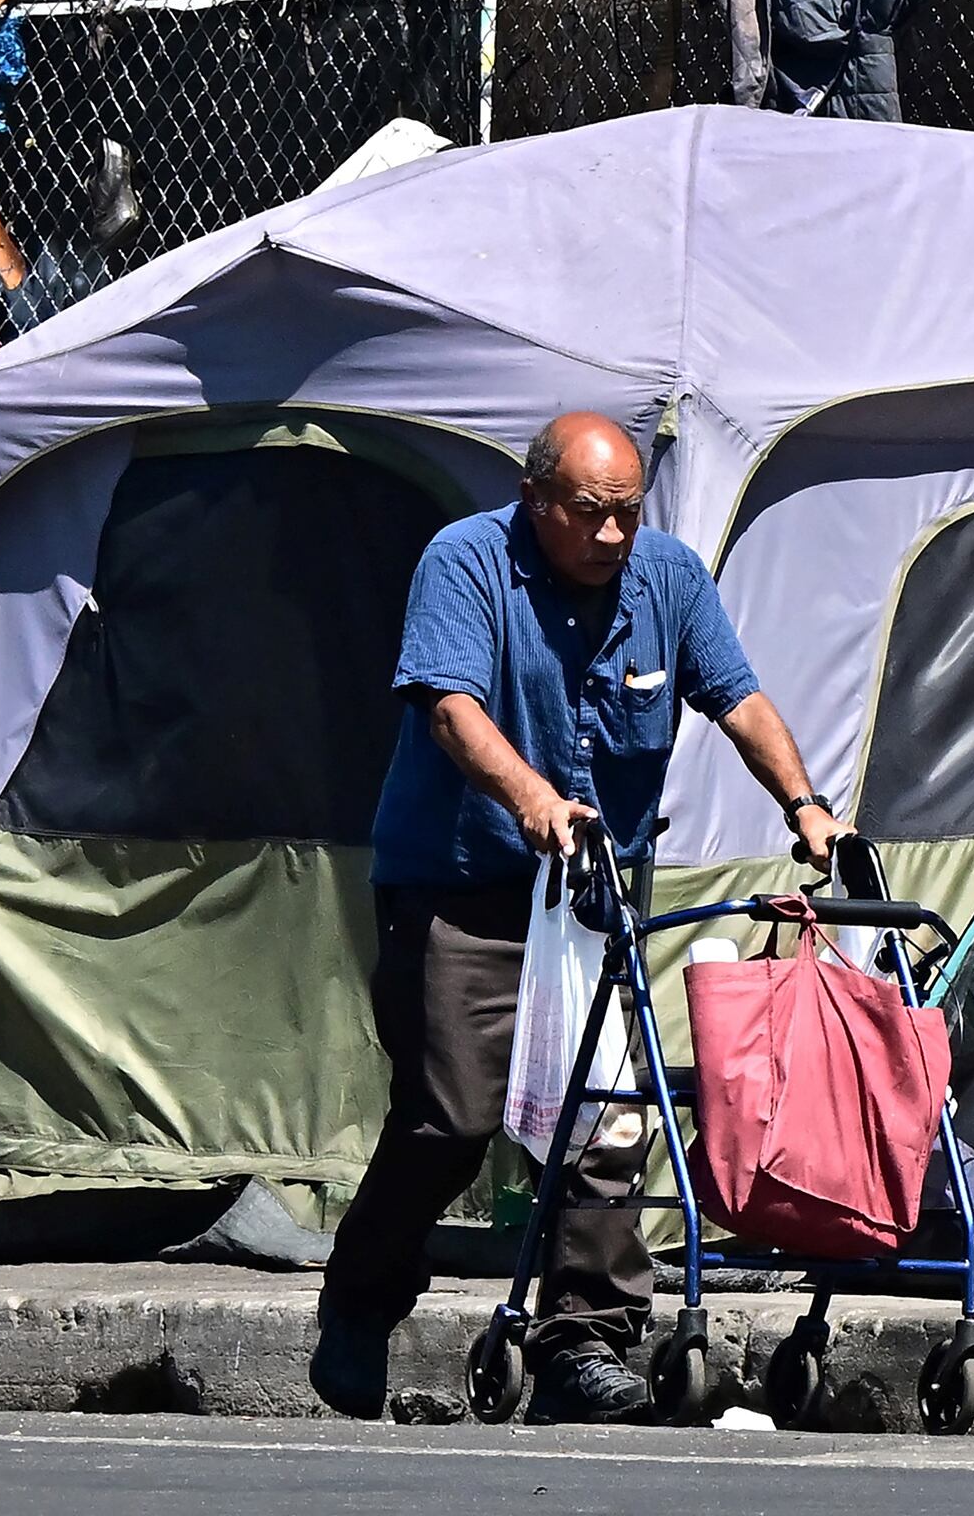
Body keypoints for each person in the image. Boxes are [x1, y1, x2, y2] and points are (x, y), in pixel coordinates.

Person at [311, 410, 849, 1426]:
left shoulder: (670, 577)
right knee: (451, 1118)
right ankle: (361, 1298)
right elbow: (451, 705)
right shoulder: (466, 560)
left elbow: (736, 696)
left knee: (605, 1118)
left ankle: (581, 1345)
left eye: (628, 514)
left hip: (598, 896)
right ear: (537, 500)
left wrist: (805, 805)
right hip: (463, 888)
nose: (612, 535)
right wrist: (533, 800)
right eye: (591, 514)